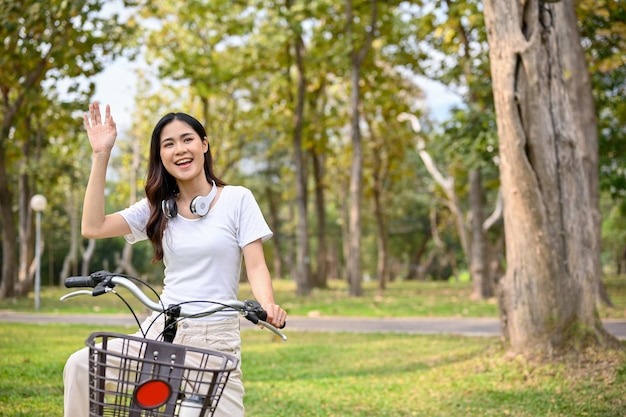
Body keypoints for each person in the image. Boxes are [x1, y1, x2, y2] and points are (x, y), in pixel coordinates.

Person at [63, 102, 286, 417]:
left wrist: (267, 305)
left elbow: (256, 265)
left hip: (214, 341)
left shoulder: (237, 199)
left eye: (187, 139)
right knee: (82, 364)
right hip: (160, 330)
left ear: (204, 144)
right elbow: (93, 226)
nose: (180, 149)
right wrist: (101, 155)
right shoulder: (157, 208)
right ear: (161, 157)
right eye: (168, 144)